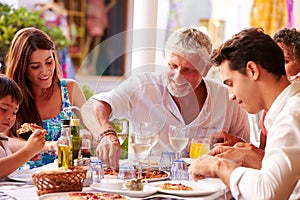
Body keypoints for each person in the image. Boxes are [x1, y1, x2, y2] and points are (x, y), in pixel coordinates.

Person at [81, 27, 250, 167]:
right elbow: (92, 107)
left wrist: (234, 145)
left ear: (205, 69)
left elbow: (247, 154)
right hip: (147, 189)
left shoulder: (229, 100)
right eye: (173, 66)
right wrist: (106, 134)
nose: (178, 77)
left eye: (188, 70)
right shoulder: (141, 87)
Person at [189, 27, 300, 199]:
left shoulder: (291, 117)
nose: (231, 95)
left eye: (230, 83)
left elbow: (267, 194)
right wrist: (250, 155)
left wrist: (218, 165)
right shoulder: (288, 108)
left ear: (252, 70)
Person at [5, 27, 86, 168]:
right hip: (20, 180)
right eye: (35, 66)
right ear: (22, 68)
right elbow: (4, 140)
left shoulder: (69, 89)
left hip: (64, 176)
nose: (45, 71)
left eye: (49, 62)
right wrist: (46, 145)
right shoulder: (10, 94)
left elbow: (90, 133)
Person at [0, 74, 46, 179]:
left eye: (14, 112)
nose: (10, 117)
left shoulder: (3, 140)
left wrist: (27, 155)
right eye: (3, 109)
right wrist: (27, 152)